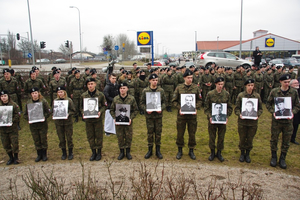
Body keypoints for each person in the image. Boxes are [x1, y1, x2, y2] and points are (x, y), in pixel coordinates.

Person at [266, 74, 300, 169]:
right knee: (274, 139)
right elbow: (268, 104)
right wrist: (273, 112)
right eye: (285, 82)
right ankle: (274, 156)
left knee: (286, 141)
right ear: (280, 82)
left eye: (288, 82)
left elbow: (297, 105)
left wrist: (292, 113)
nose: (287, 84)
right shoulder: (274, 92)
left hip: (288, 121)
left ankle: (282, 158)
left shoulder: (293, 92)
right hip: (277, 121)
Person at [172, 69, 202, 160]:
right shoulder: (179, 87)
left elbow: (200, 100)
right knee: (180, 133)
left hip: (192, 116)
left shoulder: (195, 88)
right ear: (184, 78)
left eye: (191, 78)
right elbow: (174, 101)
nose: (190, 79)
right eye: (188, 78)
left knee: (192, 133)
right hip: (182, 116)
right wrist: (179, 108)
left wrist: (195, 107)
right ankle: (180, 150)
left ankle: (191, 150)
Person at [204, 77, 233, 162]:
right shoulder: (210, 94)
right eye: (219, 84)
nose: (221, 86)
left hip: (222, 120)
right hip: (212, 120)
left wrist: (227, 117)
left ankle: (219, 152)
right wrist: (210, 116)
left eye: (222, 84)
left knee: (221, 136)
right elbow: (206, 107)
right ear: (215, 84)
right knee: (212, 136)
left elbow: (230, 107)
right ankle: (212, 152)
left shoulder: (226, 94)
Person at [235, 79, 263, 163]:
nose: (250, 87)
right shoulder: (241, 95)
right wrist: (239, 114)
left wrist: (257, 114)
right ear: (245, 86)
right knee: (242, 138)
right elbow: (236, 108)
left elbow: (260, 108)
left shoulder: (257, 96)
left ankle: (247, 153)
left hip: (252, 122)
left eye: (252, 85)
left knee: (250, 138)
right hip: (242, 122)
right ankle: (242, 153)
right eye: (249, 85)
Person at [110, 83, 138, 160]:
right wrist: (114, 117)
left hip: (128, 121)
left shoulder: (131, 99)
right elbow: (111, 110)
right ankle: (121, 152)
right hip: (119, 122)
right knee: (120, 136)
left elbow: (135, 110)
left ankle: (128, 152)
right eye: (121, 88)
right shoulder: (115, 99)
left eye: (124, 88)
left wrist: (131, 118)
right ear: (119, 89)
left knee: (128, 136)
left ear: (127, 89)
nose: (122, 90)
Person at [140, 74, 166, 159]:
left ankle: (158, 150)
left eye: (156, 80)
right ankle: (150, 150)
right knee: (150, 133)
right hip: (149, 116)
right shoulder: (145, 91)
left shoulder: (161, 91)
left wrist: (161, 108)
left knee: (158, 133)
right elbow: (141, 103)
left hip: (158, 116)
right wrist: (146, 109)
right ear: (150, 81)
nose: (155, 82)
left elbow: (165, 102)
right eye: (153, 80)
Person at [80, 78, 107, 161]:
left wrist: (100, 112)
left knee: (98, 136)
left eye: (92, 84)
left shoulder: (100, 95)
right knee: (90, 136)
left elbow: (104, 105)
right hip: (88, 120)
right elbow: (81, 107)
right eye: (89, 84)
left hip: (97, 119)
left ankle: (99, 152)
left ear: (95, 84)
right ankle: (93, 152)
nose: (90, 86)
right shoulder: (84, 95)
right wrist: (83, 113)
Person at [24, 88, 51, 162]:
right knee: (36, 139)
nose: (34, 95)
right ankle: (39, 154)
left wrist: (43, 117)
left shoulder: (43, 101)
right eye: (33, 93)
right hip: (33, 125)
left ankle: (44, 154)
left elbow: (48, 111)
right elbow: (25, 114)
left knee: (43, 139)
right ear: (31, 95)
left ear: (38, 93)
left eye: (36, 93)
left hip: (42, 124)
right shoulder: (28, 103)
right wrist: (29, 119)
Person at [53, 86, 76, 160]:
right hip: (59, 123)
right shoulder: (55, 101)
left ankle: (70, 152)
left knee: (69, 137)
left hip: (67, 122)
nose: (60, 94)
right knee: (61, 138)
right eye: (59, 92)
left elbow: (73, 110)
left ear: (64, 92)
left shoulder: (69, 100)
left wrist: (68, 113)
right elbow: (54, 110)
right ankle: (63, 152)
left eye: (61, 92)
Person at [0, 90, 20, 165]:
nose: (4, 98)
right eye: (2, 96)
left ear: (8, 96)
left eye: (5, 96)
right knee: (6, 144)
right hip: (3, 129)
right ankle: (10, 157)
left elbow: (17, 115)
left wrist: (11, 121)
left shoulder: (13, 105)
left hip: (12, 128)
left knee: (14, 143)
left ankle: (16, 157)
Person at [290, 79, 300, 145]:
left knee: (296, 124)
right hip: (290, 110)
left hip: (297, 110)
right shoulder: (290, 91)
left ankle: (293, 138)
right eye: (295, 83)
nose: (297, 84)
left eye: (297, 83)